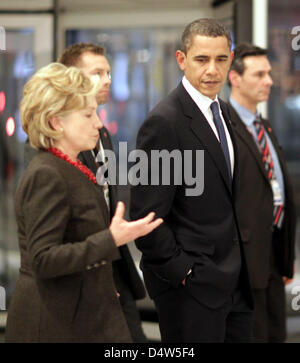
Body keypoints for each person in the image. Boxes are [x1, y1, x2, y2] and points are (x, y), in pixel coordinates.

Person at [5, 63, 162, 343]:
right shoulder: (46, 173)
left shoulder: (70, 165)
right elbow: (43, 259)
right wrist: (111, 239)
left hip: (81, 316)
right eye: (89, 114)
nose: (99, 123)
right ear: (56, 122)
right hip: (55, 325)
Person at [130, 18, 253, 343]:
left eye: (221, 59)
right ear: (182, 60)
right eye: (202, 59)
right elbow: (146, 218)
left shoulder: (224, 111)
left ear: (230, 58)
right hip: (192, 291)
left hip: (235, 285)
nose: (212, 70)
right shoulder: (163, 122)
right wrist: (184, 273)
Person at [57, 43, 148, 342]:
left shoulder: (101, 131)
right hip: (84, 273)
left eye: (108, 72)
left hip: (114, 264)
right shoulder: (62, 139)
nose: (107, 79)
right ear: (71, 78)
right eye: (97, 73)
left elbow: (111, 185)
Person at [227, 43, 296, 343]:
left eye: (269, 73)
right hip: (243, 262)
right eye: (259, 74)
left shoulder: (263, 125)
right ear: (235, 78)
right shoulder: (224, 128)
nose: (269, 80)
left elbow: (275, 192)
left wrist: (285, 255)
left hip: (272, 254)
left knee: (274, 333)